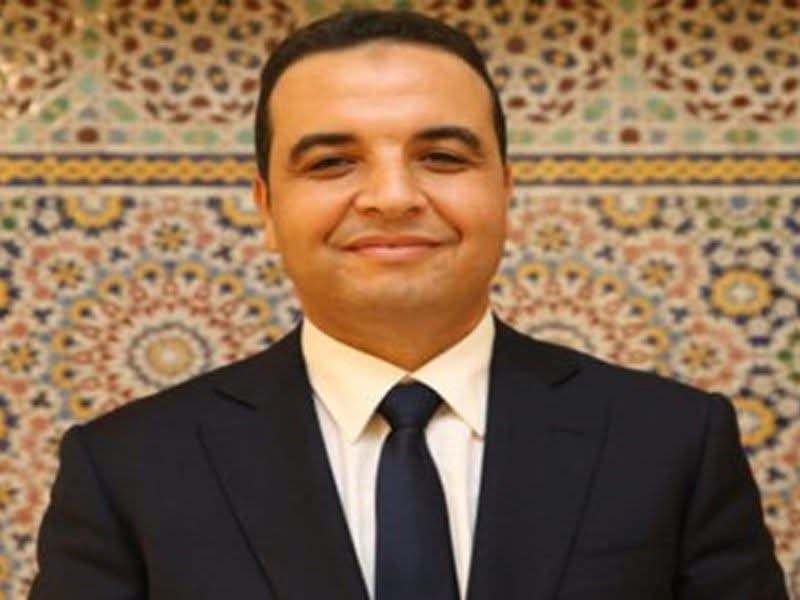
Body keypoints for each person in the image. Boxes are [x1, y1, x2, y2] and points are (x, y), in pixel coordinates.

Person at [30, 8, 788, 600]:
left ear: (504, 190)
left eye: (442, 157)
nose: (392, 197)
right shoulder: (127, 467)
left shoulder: (673, 443)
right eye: (333, 162)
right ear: (266, 207)